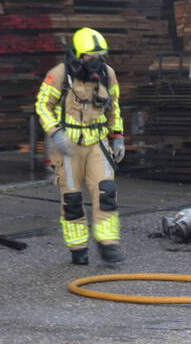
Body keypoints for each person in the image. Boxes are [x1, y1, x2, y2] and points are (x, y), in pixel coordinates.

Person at [35, 27, 126, 265]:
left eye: (98, 56)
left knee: (107, 193)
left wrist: (117, 136)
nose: (94, 61)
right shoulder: (59, 74)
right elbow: (43, 105)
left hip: (98, 143)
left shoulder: (108, 74)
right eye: (89, 56)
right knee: (72, 200)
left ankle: (108, 244)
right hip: (68, 147)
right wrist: (55, 133)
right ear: (77, 54)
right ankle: (78, 248)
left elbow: (114, 106)